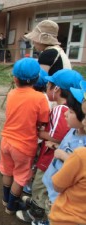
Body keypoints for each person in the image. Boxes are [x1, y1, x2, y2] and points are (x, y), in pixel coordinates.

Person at [16, 69, 83, 224]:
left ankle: (37, 214)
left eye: (49, 84)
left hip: (50, 160)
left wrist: (37, 131)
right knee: (42, 186)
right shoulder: (69, 110)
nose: (46, 87)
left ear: (57, 89)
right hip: (55, 160)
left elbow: (56, 135)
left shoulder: (61, 109)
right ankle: (37, 203)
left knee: (42, 184)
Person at [0, 58, 50, 215]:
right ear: (36, 79)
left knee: (7, 171)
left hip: (6, 141)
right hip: (24, 145)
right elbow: (43, 120)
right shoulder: (39, 98)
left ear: (15, 79)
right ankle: (12, 206)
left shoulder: (11, 93)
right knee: (20, 177)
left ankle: (5, 199)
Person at [43, 83, 86, 225]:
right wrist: (56, 146)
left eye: (72, 112)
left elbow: (78, 163)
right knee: (48, 203)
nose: (66, 113)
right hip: (54, 181)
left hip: (62, 194)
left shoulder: (83, 146)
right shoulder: (74, 130)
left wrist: (61, 155)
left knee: (52, 211)